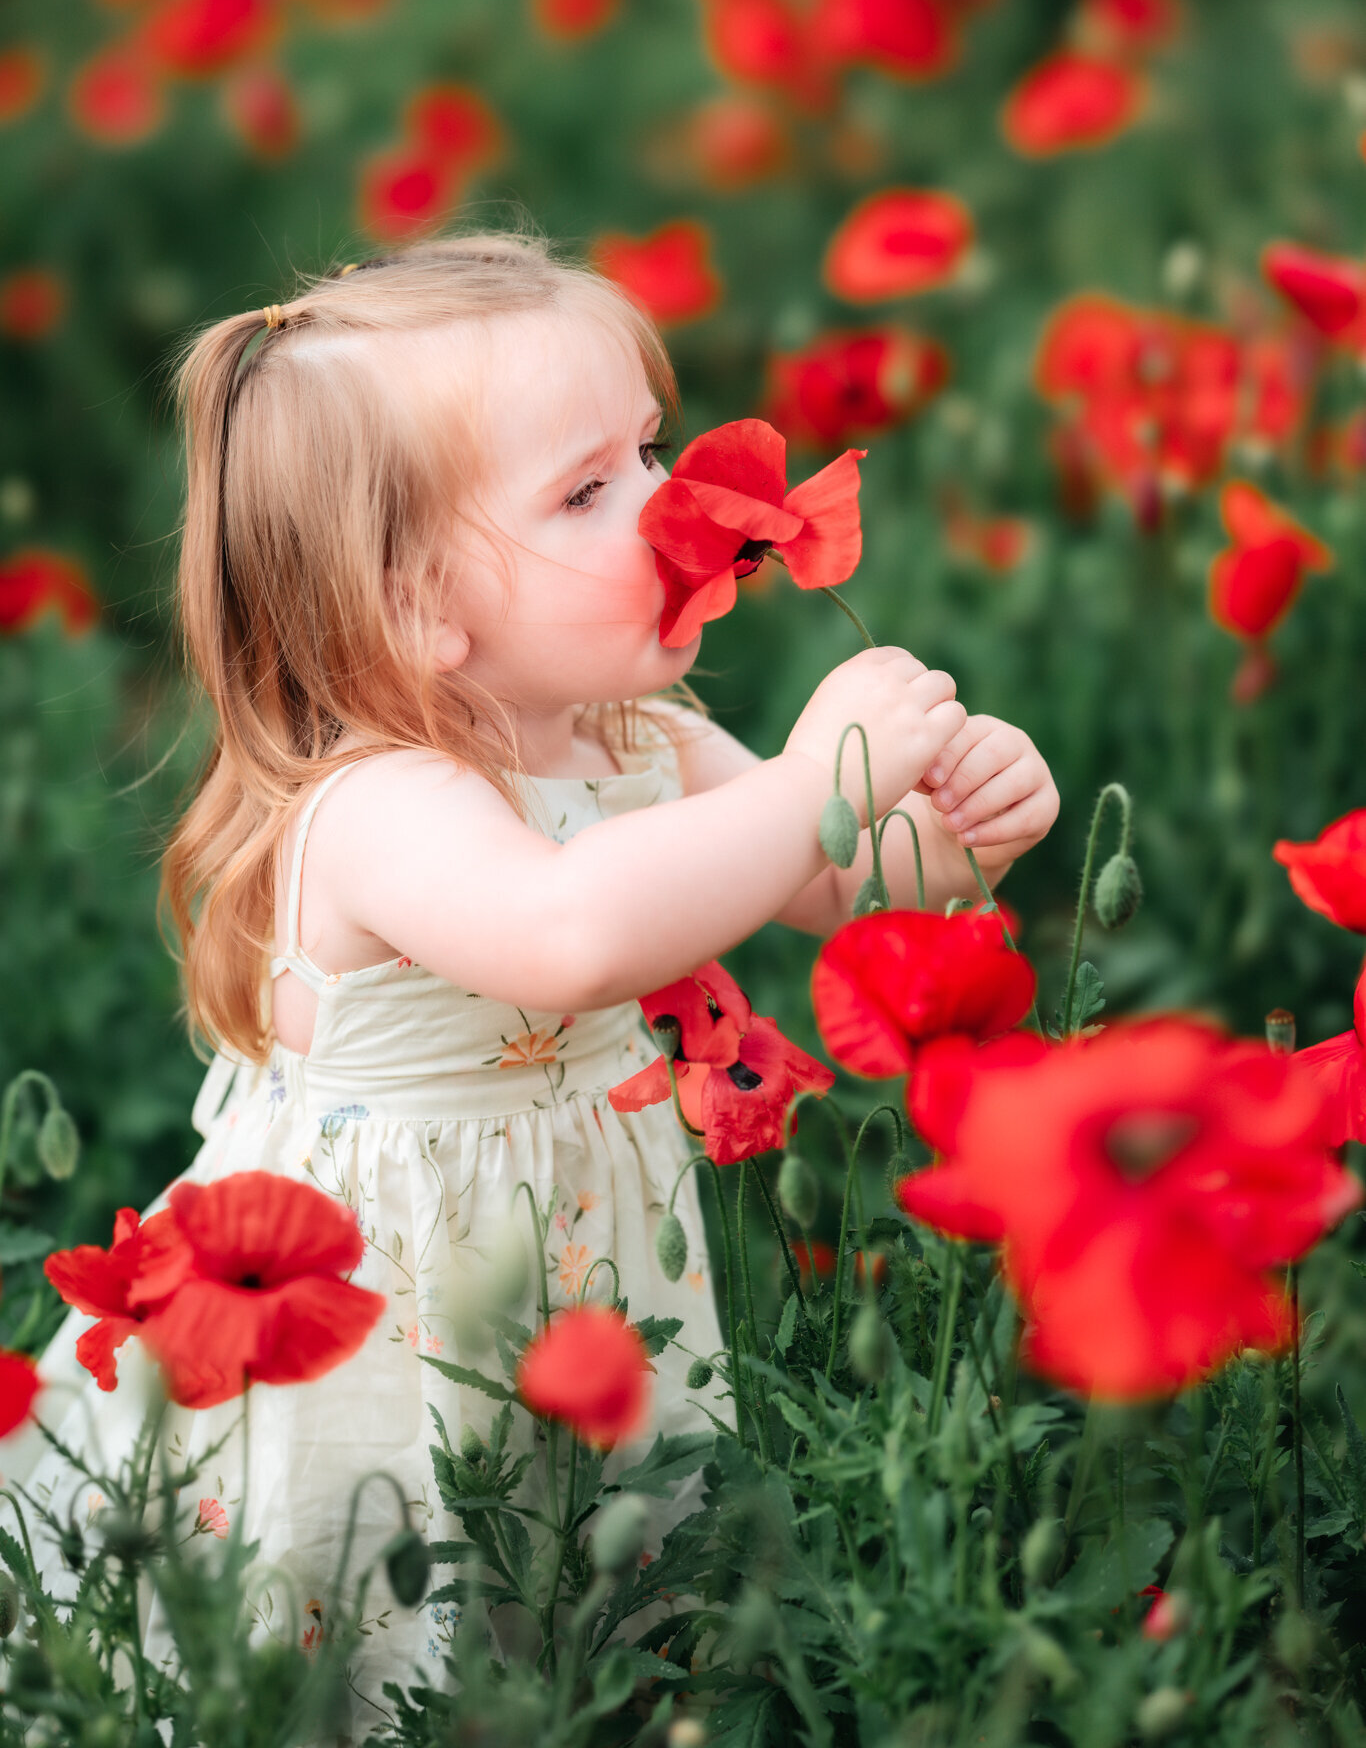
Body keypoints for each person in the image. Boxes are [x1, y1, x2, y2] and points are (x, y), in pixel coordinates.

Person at [0, 228, 1057, 1733]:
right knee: (378, 1601)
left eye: (651, 447)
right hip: (377, 1295)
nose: (671, 507)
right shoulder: (378, 805)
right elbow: (570, 936)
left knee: (575, 1577)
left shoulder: (643, 740)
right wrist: (822, 770)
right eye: (588, 489)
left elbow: (826, 879)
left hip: (576, 1241)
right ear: (418, 604)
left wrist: (953, 838)